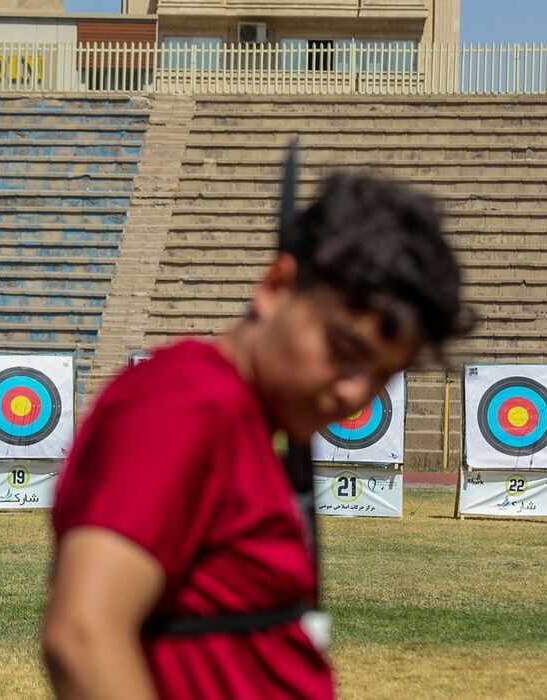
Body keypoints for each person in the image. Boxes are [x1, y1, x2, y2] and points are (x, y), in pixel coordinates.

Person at [43, 169, 470, 699]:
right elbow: (82, 635)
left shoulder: (236, 412)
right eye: (344, 351)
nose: (354, 395)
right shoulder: (185, 402)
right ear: (277, 287)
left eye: (381, 375)